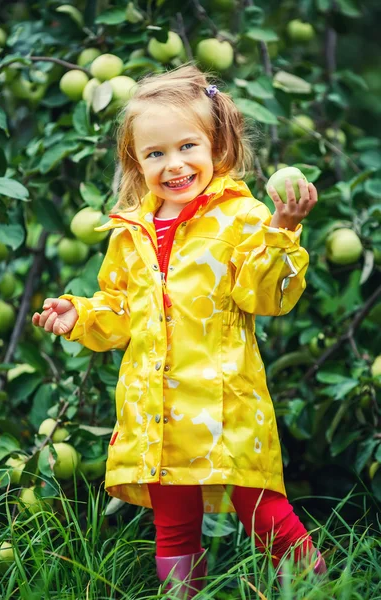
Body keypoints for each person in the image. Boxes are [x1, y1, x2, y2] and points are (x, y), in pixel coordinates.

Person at [32, 64, 326, 598]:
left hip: (224, 404)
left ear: (217, 144)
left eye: (187, 146)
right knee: (173, 524)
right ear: (135, 161)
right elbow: (121, 311)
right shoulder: (131, 232)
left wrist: (282, 232)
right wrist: (81, 315)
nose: (174, 165)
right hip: (156, 411)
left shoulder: (243, 216)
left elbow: (266, 296)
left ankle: (326, 589)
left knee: (262, 508)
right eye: (155, 153)